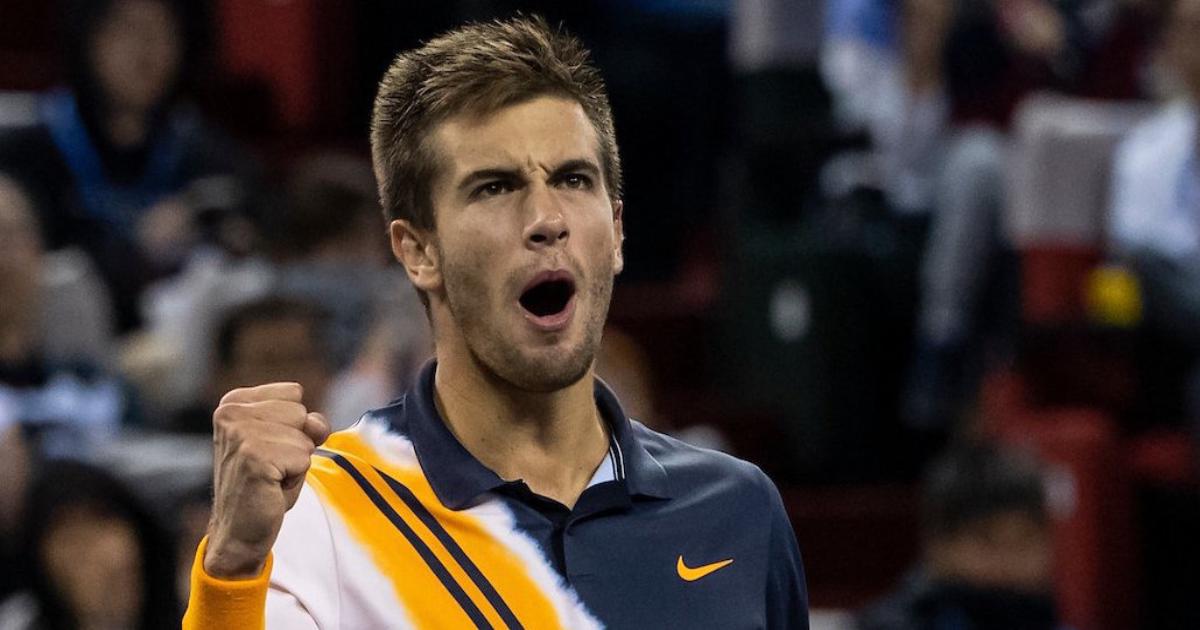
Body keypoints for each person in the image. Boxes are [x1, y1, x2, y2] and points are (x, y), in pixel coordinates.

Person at [183, 16, 808, 629]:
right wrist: (233, 572)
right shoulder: (318, 516)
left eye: (573, 179)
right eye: (495, 187)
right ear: (418, 251)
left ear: (616, 231)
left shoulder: (739, 509)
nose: (547, 219)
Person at [0, 0, 257, 331]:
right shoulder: (29, 151)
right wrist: (137, 249)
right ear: (88, 39)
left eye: (161, 33)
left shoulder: (203, 150)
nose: (145, 51)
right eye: (126, 29)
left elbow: (255, 225)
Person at [855, 441, 1059, 630]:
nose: (1008, 558)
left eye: (1026, 539)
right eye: (986, 539)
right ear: (938, 543)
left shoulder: (1053, 619)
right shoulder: (890, 624)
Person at [0, 461, 180, 630]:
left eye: (102, 523)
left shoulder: (187, 607)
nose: (101, 555)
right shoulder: (19, 622)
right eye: (74, 541)